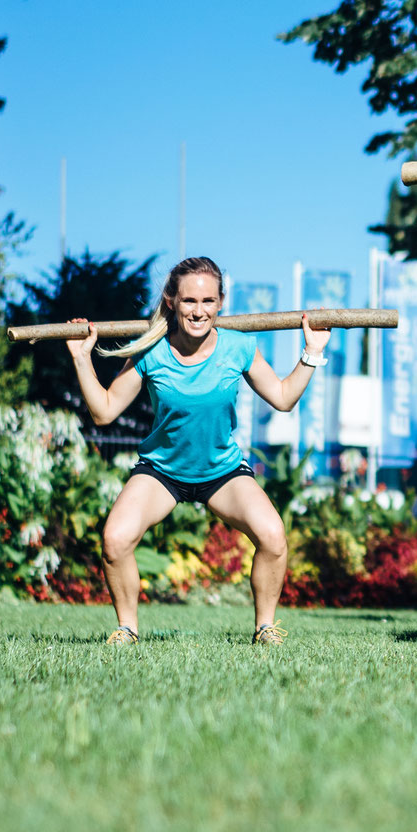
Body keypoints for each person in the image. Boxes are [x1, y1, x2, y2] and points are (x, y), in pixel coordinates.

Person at [66, 256, 330, 645]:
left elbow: (283, 397)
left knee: (273, 537)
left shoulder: (239, 347)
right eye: (189, 301)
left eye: (208, 301)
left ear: (221, 302)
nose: (199, 311)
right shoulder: (150, 352)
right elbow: (104, 412)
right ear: (172, 301)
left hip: (221, 472)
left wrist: (312, 351)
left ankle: (265, 628)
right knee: (115, 540)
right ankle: (127, 629)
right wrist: (80, 356)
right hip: (162, 473)